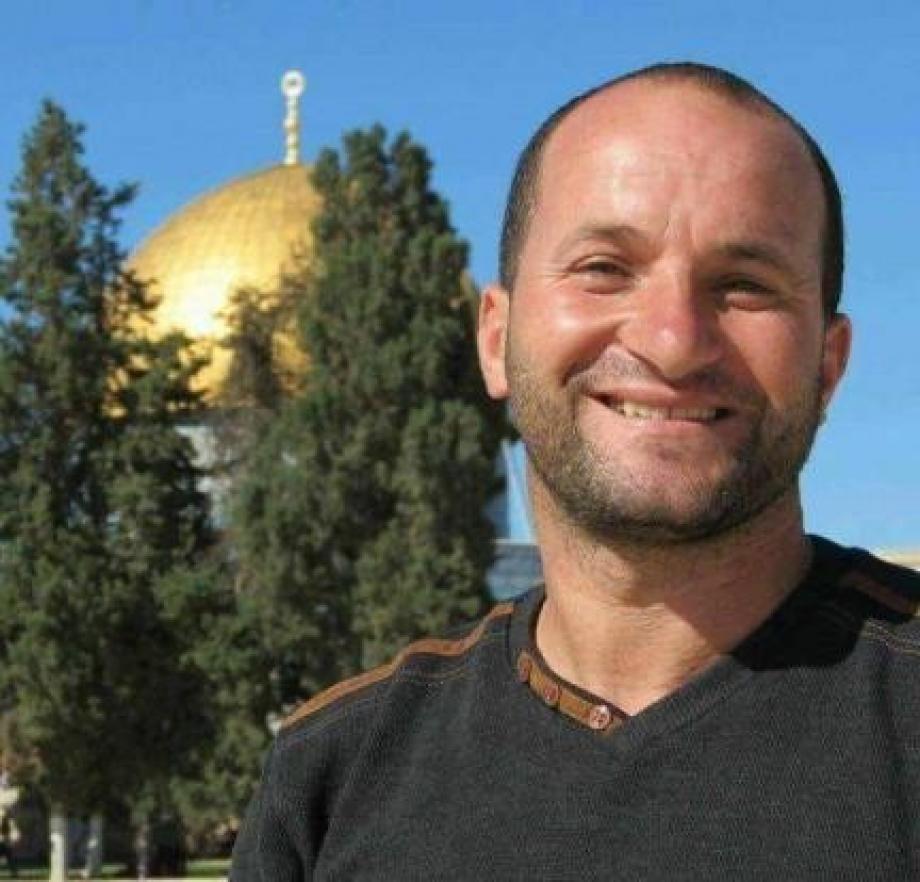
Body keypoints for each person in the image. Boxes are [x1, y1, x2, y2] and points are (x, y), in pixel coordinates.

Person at [230, 62, 920, 880]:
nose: (672, 341)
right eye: (603, 269)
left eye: (744, 286)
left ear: (828, 365)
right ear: (497, 339)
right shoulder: (338, 772)